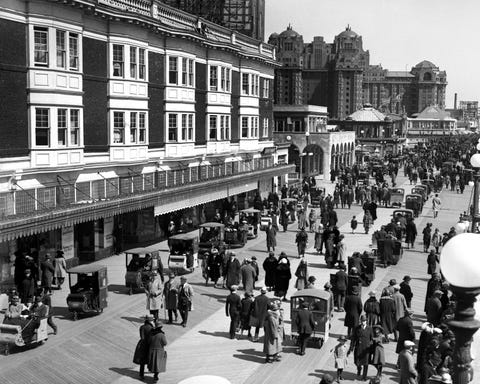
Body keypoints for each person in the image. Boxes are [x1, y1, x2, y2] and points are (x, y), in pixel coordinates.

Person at [348, 314, 373, 381]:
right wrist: (351, 348)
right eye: (362, 321)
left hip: (366, 349)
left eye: (364, 321)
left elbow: (372, 339)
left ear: (366, 321)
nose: (363, 322)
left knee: (366, 363)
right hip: (358, 348)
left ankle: (364, 376)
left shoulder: (370, 328)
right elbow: (353, 339)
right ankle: (359, 369)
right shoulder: (357, 328)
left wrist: (372, 349)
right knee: (357, 362)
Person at [133, 314, 154, 380]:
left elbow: (142, 337)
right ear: (150, 321)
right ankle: (151, 370)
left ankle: (141, 374)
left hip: (142, 345)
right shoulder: (152, 328)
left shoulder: (142, 327)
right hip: (150, 344)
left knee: (142, 361)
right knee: (150, 358)